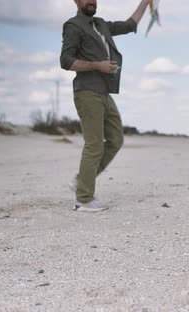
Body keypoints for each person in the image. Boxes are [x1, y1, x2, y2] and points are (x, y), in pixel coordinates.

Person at [60, 0, 150, 212]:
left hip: (105, 93)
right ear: (77, 1)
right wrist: (97, 65)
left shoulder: (101, 24)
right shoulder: (73, 26)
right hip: (87, 91)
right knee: (94, 145)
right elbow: (65, 60)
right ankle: (83, 199)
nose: (91, 1)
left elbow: (129, 25)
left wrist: (145, 2)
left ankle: (82, 180)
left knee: (116, 139)